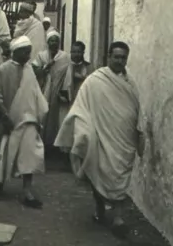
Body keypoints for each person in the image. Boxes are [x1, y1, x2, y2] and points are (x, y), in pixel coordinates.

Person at [55, 41, 145, 234]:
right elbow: (81, 106)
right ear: (109, 57)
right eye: (117, 57)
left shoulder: (130, 83)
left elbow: (137, 109)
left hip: (123, 139)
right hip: (101, 136)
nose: (120, 61)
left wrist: (139, 133)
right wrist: (84, 131)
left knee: (120, 174)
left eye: (123, 58)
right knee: (98, 171)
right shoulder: (95, 80)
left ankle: (119, 217)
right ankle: (100, 208)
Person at [0, 35, 49, 208]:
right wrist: (5, 116)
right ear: (15, 52)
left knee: (30, 154)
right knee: (5, 155)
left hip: (29, 120)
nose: (28, 55)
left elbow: (35, 95)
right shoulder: (2, 70)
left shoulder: (30, 71)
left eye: (29, 52)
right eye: (25, 52)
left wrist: (38, 117)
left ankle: (27, 190)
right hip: (9, 120)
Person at [32, 30, 71, 149]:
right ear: (48, 42)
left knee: (57, 118)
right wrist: (44, 69)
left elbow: (68, 74)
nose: (54, 43)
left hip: (59, 91)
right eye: (51, 40)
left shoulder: (64, 57)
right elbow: (34, 69)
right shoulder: (41, 55)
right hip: (45, 89)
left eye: (56, 40)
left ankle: (56, 145)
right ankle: (42, 143)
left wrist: (64, 90)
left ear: (59, 42)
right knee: (43, 114)